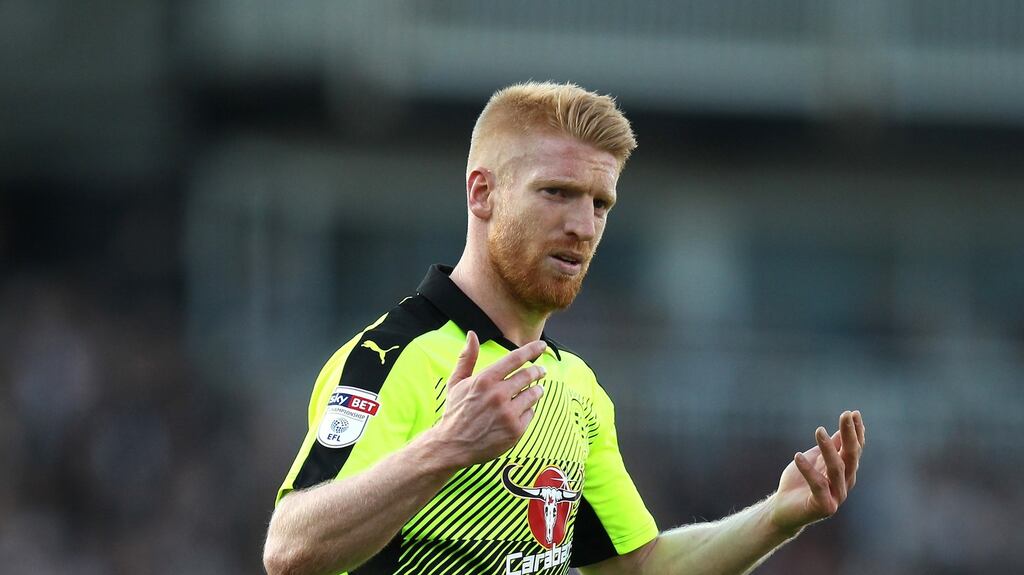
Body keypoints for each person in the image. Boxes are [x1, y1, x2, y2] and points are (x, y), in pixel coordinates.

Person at [263, 81, 866, 575]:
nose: (583, 225)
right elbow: (290, 550)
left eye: (600, 203)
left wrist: (777, 516)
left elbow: (637, 568)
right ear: (482, 193)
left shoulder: (574, 385)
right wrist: (446, 447)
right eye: (557, 192)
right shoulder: (395, 354)